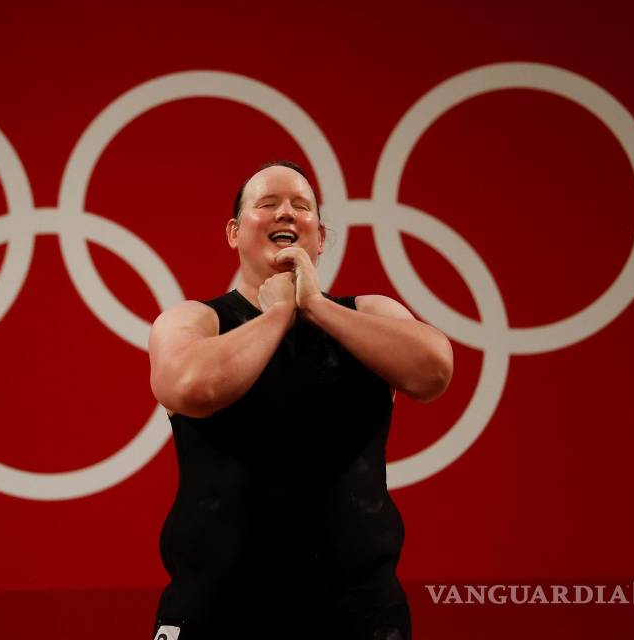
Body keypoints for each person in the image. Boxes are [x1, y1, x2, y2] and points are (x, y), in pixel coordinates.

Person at [148, 161, 453, 639]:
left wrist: (315, 305)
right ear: (233, 232)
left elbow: (434, 371)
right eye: (268, 205)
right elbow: (189, 386)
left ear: (322, 237)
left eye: (302, 207)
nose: (286, 214)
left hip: (357, 612)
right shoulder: (195, 319)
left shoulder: (370, 312)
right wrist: (278, 314)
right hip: (216, 610)